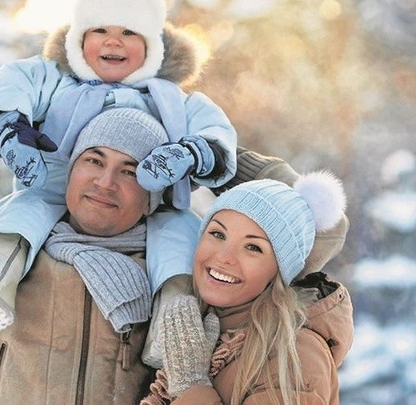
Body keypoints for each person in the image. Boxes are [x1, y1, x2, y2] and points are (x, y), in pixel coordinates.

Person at [0, 108, 349, 403]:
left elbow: (319, 226)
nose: (104, 181)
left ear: (155, 191)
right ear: (69, 170)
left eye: (132, 170)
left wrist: (207, 154)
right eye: (92, 160)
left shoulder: (190, 279)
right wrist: (13, 123)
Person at [0, 0, 238, 335]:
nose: (114, 42)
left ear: (152, 44)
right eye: (100, 30)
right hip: (48, 186)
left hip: (151, 203)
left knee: (181, 236)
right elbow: (10, 83)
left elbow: (216, 130)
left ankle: (174, 325)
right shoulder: (54, 77)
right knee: (17, 215)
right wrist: (10, 125)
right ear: (79, 37)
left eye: (129, 32)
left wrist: (193, 152)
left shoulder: (171, 98)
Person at [141, 172, 354, 405]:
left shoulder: (296, 355)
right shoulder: (195, 326)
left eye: (253, 247)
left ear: (279, 271)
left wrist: (190, 386)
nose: (224, 257)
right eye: (217, 234)